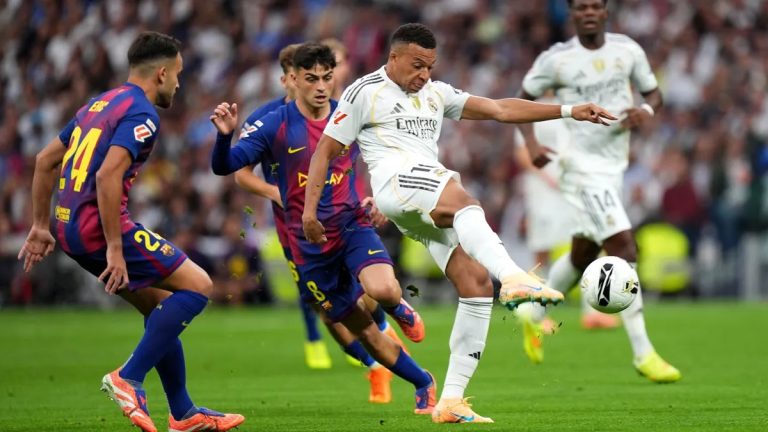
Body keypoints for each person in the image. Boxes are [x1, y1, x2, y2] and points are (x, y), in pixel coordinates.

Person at [302, 23, 616, 423]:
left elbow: (500, 109)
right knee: (464, 200)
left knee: (476, 283)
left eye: (430, 66)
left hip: (421, 200)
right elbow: (324, 151)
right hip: (396, 183)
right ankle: (514, 277)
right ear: (394, 57)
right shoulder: (365, 91)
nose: (424, 74)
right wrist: (309, 212)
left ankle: (450, 401)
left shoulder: (436, 93)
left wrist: (570, 110)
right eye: (417, 65)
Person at [16, 32, 244, 432]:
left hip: (68, 227)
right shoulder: (142, 113)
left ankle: (183, 414)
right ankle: (129, 377)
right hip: (98, 229)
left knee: (160, 306)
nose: (179, 83)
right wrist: (115, 249)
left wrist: (39, 225)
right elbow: (107, 176)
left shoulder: (100, 103)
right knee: (199, 286)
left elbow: (46, 158)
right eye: (178, 74)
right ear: (161, 73)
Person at [210, 42, 437, 414]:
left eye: (327, 78)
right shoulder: (273, 124)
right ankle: (423, 382)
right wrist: (224, 136)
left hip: (350, 224)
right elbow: (226, 167)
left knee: (381, 289)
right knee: (360, 329)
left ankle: (398, 307)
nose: (320, 86)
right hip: (306, 243)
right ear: (293, 80)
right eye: (311, 79)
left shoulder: (351, 113)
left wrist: (380, 198)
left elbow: (389, 156)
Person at [516, 0, 681, 383]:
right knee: (624, 246)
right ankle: (643, 353)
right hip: (579, 167)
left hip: (613, 168)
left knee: (583, 253)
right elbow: (521, 99)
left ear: (606, 12)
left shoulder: (628, 51)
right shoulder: (557, 59)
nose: (589, 12)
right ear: (572, 14)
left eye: (595, 6)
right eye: (581, 7)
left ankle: (533, 313)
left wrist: (646, 111)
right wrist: (532, 143)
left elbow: (654, 94)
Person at [512, 104, 619, 365]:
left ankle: (592, 310)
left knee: (586, 244)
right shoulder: (529, 107)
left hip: (571, 188)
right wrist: (547, 177)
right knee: (542, 252)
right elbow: (521, 152)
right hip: (542, 190)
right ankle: (535, 311)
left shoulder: (570, 106)